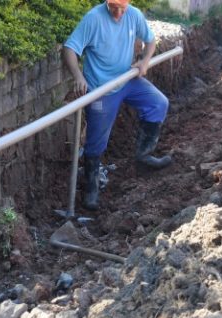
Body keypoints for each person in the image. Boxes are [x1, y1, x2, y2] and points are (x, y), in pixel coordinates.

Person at [64, 0, 173, 211]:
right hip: (101, 89)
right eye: (114, 7)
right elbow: (69, 49)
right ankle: (91, 188)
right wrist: (78, 76)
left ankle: (144, 156)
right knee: (96, 141)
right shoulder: (94, 19)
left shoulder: (134, 15)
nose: (119, 12)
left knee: (158, 103)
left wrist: (144, 61)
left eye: (123, 7)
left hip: (128, 80)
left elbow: (150, 41)